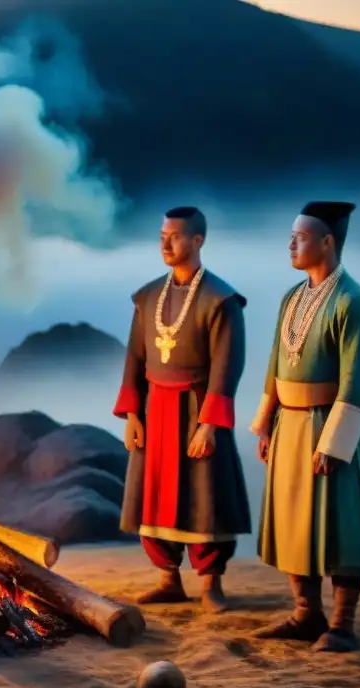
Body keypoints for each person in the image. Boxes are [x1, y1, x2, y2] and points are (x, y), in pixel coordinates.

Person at [251, 201, 360, 652]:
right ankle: (306, 614)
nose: (291, 243)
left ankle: (342, 624)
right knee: (295, 522)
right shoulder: (292, 298)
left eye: (302, 236)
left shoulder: (355, 303)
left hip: (328, 428)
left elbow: (359, 380)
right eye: (291, 235)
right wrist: (267, 423)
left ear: (327, 241)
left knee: (340, 524)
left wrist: (335, 442)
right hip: (289, 425)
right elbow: (275, 364)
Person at [114, 207, 251, 612]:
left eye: (173, 236)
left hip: (197, 409)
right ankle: (168, 579)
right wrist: (133, 415)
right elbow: (134, 359)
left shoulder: (221, 300)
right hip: (155, 409)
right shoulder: (147, 296)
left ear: (197, 240)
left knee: (205, 494)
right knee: (153, 494)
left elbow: (228, 366)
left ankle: (211, 584)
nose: (165, 243)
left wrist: (210, 424)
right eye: (161, 235)